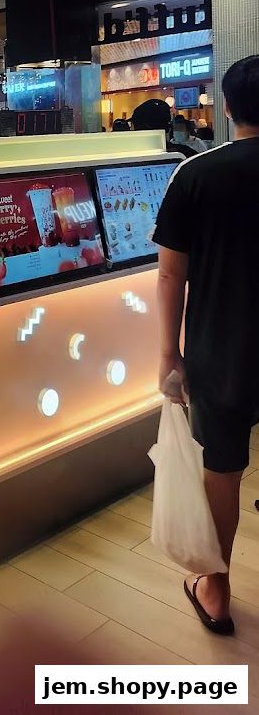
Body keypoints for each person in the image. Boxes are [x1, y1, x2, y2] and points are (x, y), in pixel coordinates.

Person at [154, 55, 259, 636]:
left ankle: (215, 589)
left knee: (223, 468)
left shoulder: (196, 174)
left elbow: (172, 276)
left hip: (223, 347)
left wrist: (169, 358)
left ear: (226, 108)